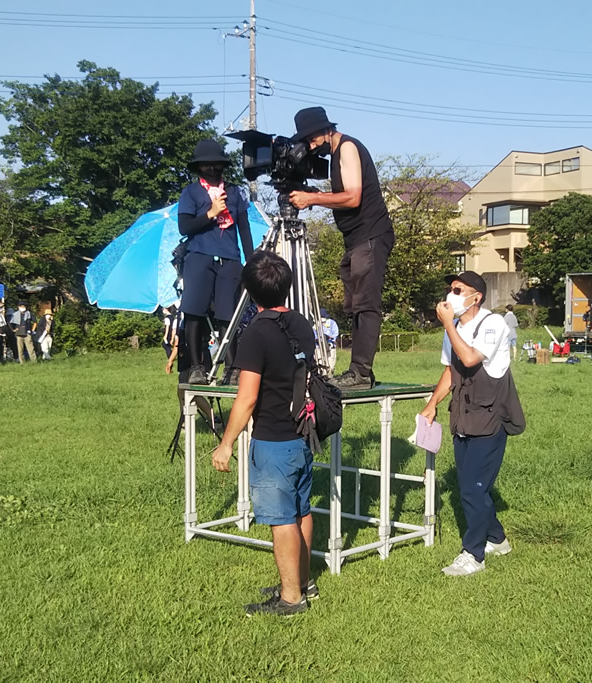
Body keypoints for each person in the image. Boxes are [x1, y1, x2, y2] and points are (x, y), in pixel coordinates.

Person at [212, 251, 316, 616]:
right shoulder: (301, 324)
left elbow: (247, 396)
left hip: (273, 440)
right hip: (303, 435)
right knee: (302, 510)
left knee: (281, 518)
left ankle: (291, 598)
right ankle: (303, 582)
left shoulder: (257, 332)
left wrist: (225, 444)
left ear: (249, 291)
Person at [419, 271, 525, 576]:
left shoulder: (493, 324)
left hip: (490, 420)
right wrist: (432, 404)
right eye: (450, 289)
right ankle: (497, 539)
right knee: (472, 487)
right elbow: (451, 372)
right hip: (463, 418)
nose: (450, 294)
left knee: (471, 490)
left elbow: (468, 359)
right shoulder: (451, 329)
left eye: (457, 289)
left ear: (475, 297)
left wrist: (448, 326)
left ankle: (473, 555)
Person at [288, 107, 395, 391]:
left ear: (325, 130)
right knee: (356, 306)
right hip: (356, 239)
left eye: (311, 140)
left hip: (370, 235)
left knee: (366, 304)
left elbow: (352, 196)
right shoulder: (335, 153)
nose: (311, 146)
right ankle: (358, 371)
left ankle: (360, 372)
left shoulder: (347, 147)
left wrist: (312, 198)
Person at [178, 139, 256, 384]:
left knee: (228, 315)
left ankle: (231, 369)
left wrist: (251, 262)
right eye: (206, 165)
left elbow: (244, 229)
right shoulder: (190, 192)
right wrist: (210, 213)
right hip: (199, 257)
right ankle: (197, 367)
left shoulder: (234, 192)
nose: (212, 169)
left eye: (216, 164)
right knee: (194, 312)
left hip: (230, 259)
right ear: (199, 167)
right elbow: (184, 226)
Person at [320, 307, 339, 372]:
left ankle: (330, 377)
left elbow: (335, 334)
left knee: (331, 365)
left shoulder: (332, 323)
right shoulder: (317, 324)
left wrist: (329, 337)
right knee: (321, 365)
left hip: (330, 346)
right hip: (319, 347)